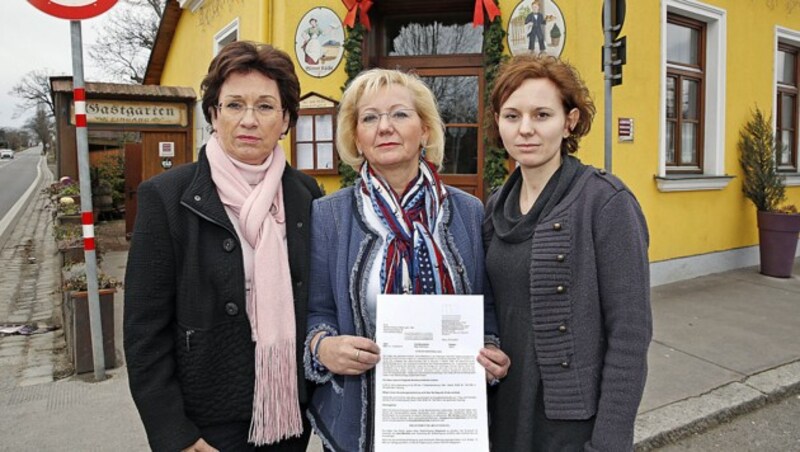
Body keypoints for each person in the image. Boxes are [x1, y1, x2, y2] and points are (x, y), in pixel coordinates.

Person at [124, 41, 322, 452]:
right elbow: (145, 332)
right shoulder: (167, 196)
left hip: (287, 413)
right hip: (206, 422)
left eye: (266, 106)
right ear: (214, 114)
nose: (249, 120)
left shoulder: (305, 194)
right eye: (234, 105)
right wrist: (173, 433)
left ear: (286, 120)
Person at [303, 68, 511, 452]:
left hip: (447, 420)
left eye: (399, 114)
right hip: (358, 424)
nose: (385, 127)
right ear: (356, 139)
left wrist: (490, 350)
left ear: (426, 131)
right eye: (369, 117)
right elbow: (315, 311)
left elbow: (487, 306)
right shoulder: (328, 214)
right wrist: (323, 348)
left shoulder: (468, 212)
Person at [484, 54, 651, 451]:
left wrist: (609, 442)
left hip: (569, 426)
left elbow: (630, 334)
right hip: (502, 412)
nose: (526, 129)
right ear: (498, 123)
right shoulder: (493, 208)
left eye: (542, 115)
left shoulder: (605, 203)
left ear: (569, 121)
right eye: (512, 116)